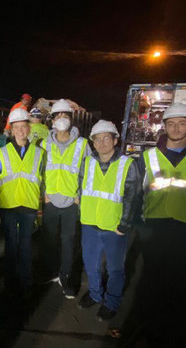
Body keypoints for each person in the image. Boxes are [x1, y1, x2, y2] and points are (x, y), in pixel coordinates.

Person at [120, 102, 186, 347]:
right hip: (155, 229)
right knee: (155, 283)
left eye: (182, 123)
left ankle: (178, 334)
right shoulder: (147, 158)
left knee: (184, 287)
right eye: (171, 123)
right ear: (164, 127)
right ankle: (154, 331)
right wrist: (138, 225)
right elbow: (135, 194)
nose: (176, 128)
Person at [77, 120, 140, 321]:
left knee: (114, 268)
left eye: (106, 138)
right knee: (91, 265)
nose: (102, 142)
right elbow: (81, 189)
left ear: (115, 140)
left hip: (114, 227)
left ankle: (111, 301)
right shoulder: (87, 162)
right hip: (89, 224)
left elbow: (133, 196)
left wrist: (125, 224)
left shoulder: (127, 165)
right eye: (98, 139)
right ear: (93, 142)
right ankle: (95, 294)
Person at [40, 99, 91, 299]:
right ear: (52, 120)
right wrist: (44, 195)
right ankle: (52, 272)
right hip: (50, 200)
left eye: (65, 116)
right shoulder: (44, 144)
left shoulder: (82, 144)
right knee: (49, 240)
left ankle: (66, 277)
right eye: (58, 116)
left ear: (71, 119)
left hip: (72, 202)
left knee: (68, 242)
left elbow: (88, 174)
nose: (61, 119)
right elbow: (40, 172)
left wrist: (79, 197)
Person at [0, 108, 45, 295]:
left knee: (25, 245)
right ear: (12, 130)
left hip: (29, 206)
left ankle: (25, 279)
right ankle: (10, 279)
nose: (21, 131)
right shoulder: (2, 152)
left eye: (24, 127)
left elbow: (41, 178)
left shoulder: (39, 153)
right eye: (17, 128)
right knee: (10, 245)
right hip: (8, 205)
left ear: (29, 128)